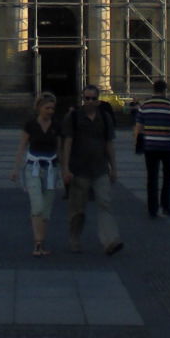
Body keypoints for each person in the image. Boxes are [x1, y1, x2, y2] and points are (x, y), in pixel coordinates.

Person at [61, 84, 123, 256]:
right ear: (82, 98)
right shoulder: (73, 117)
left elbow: (109, 143)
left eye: (93, 98)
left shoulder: (105, 117)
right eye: (86, 98)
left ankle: (110, 240)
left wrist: (114, 168)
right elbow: (67, 144)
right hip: (79, 169)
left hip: (100, 168)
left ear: (98, 99)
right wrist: (65, 169)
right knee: (78, 209)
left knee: (105, 203)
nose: (89, 101)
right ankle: (74, 237)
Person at [9, 92, 63, 257]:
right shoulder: (30, 125)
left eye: (53, 108)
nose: (50, 111)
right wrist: (15, 169)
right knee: (38, 206)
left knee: (46, 211)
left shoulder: (56, 126)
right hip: (33, 168)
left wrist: (64, 170)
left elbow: (60, 150)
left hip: (51, 169)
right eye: (47, 108)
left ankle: (40, 243)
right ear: (39, 108)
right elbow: (22, 147)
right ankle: (37, 242)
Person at [132, 80, 170, 217]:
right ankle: (166, 206)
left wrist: (136, 142)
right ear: (165, 90)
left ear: (153, 90)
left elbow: (139, 127)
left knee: (152, 178)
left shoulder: (144, 106)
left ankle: (152, 209)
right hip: (167, 146)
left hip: (150, 146)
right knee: (168, 177)